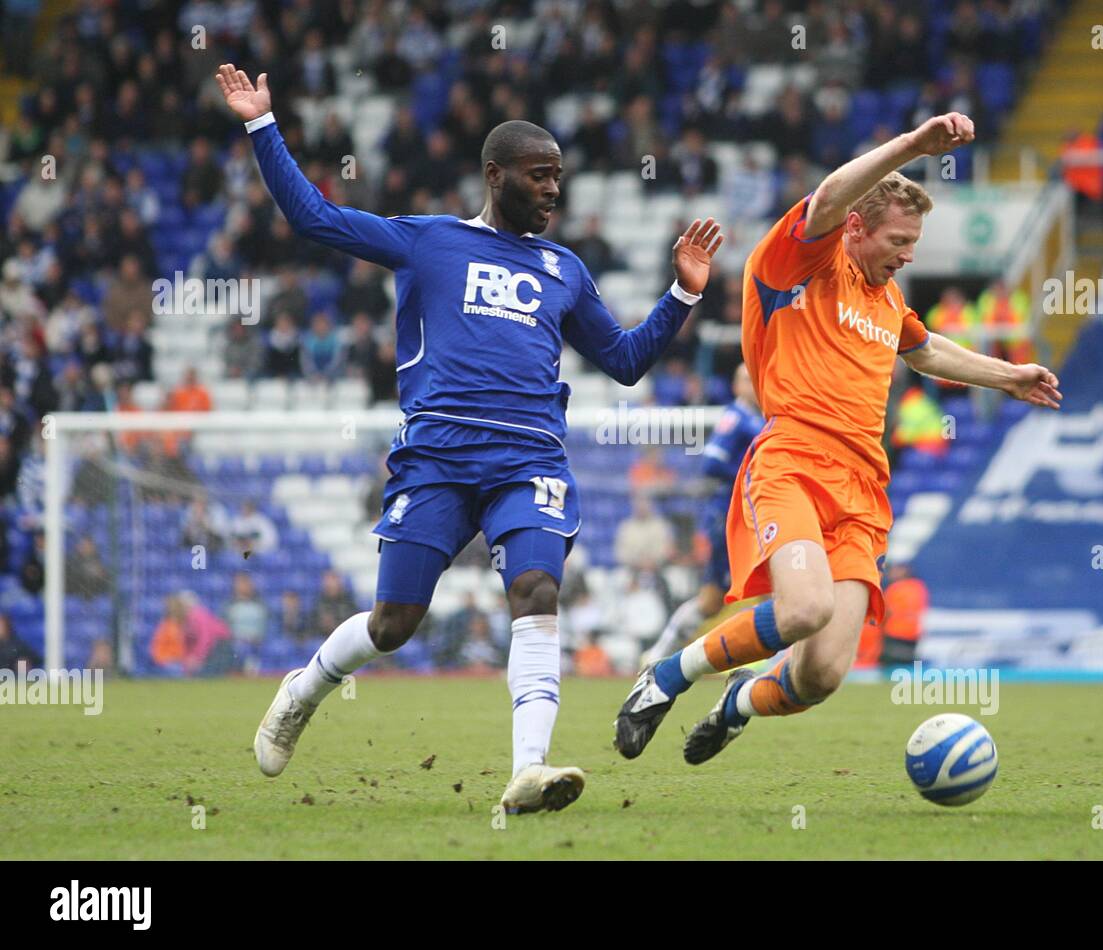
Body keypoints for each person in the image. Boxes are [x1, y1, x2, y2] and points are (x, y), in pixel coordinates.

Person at [216, 63, 723, 814]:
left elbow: (622, 362)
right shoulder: (430, 242)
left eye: (559, 177)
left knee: (537, 591)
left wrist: (683, 292)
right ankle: (306, 688)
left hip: (529, 460)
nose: (554, 189)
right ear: (496, 176)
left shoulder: (565, 269)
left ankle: (529, 770)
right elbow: (315, 219)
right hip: (438, 457)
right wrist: (262, 124)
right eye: (539, 176)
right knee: (394, 624)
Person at [614, 112, 1061, 764]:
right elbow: (826, 197)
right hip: (793, 461)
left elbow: (927, 351)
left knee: (821, 675)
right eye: (900, 239)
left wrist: (1009, 375)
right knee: (804, 610)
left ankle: (736, 702)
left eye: (915, 241)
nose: (910, 253)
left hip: (862, 489)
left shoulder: (886, 300)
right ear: (857, 226)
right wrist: (912, 145)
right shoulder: (802, 261)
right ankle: (664, 677)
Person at [642, 364, 764, 665]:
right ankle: (661, 654)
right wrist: (749, 475)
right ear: (736, 386)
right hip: (730, 517)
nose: (753, 385)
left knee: (769, 587)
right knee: (712, 598)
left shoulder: (757, 419)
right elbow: (711, 462)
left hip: (753, 516)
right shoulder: (736, 418)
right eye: (746, 380)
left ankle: (661, 653)